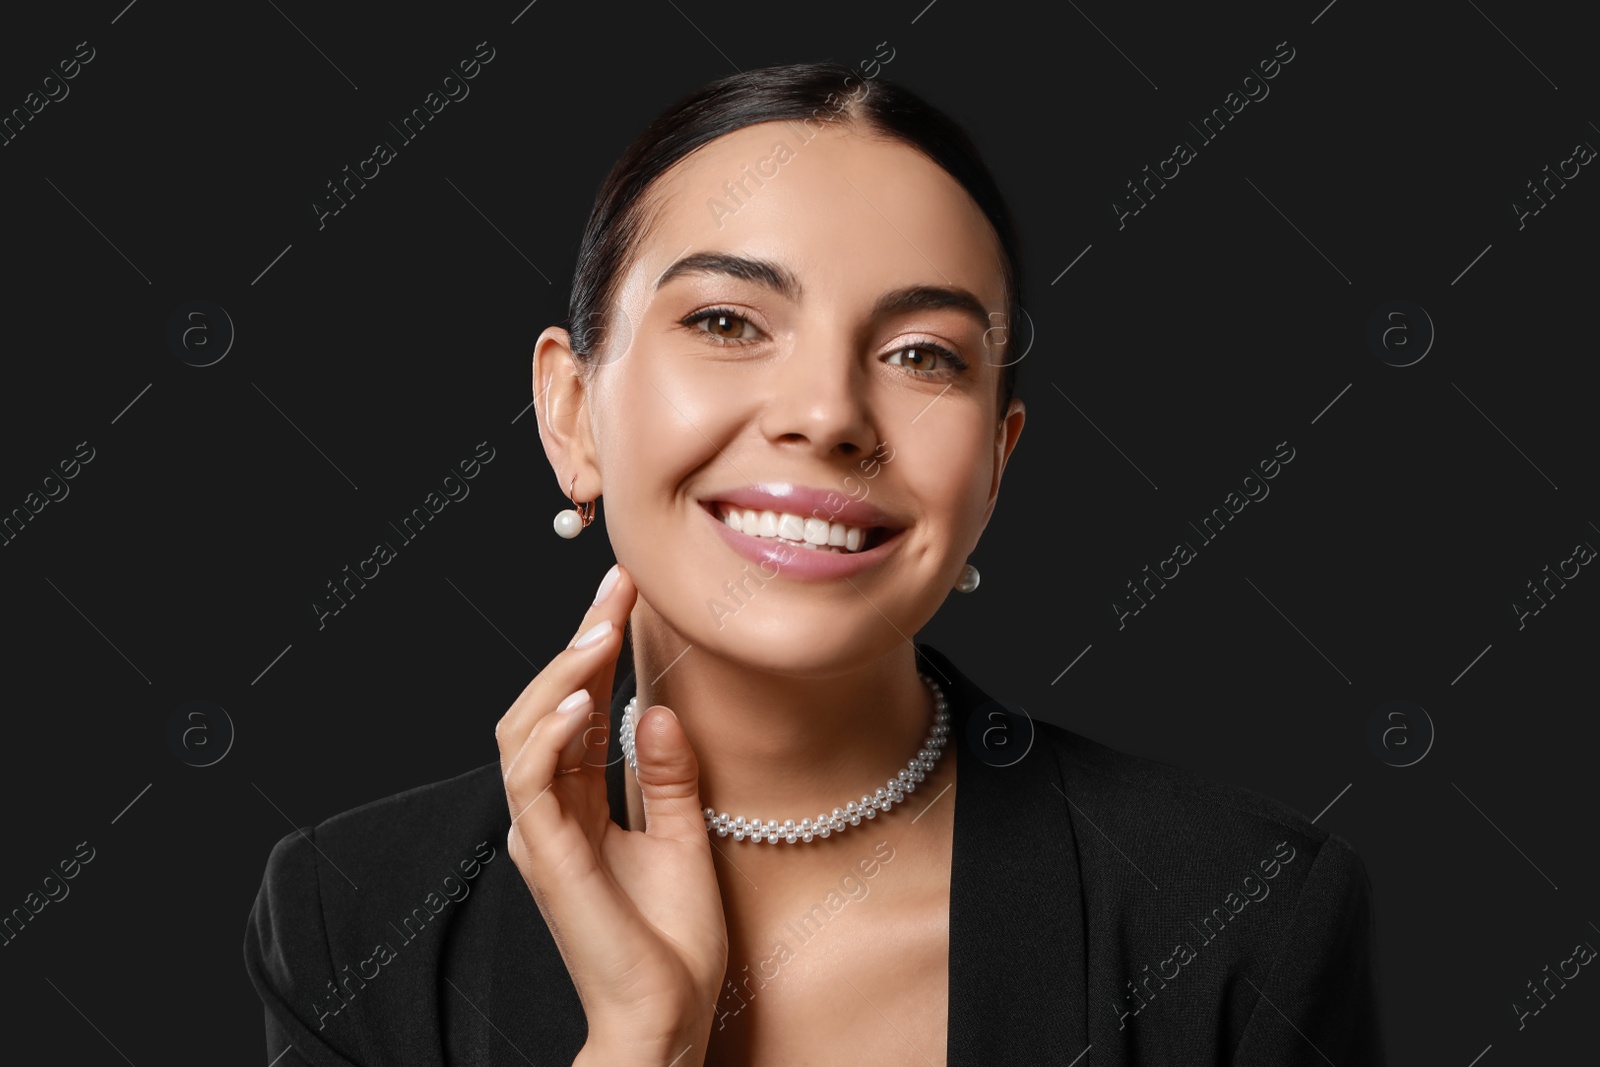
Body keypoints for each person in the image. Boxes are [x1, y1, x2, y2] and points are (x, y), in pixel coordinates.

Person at [244, 62, 1387, 1065]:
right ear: (572, 409)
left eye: (920, 353)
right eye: (729, 322)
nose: (827, 413)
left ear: (995, 459)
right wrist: (645, 1037)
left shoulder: (1241, 913)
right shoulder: (356, 916)